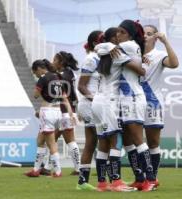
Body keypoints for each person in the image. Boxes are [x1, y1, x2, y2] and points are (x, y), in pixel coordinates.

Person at [92, 27, 143, 192]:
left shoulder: (103, 52)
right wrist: (141, 63)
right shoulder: (117, 54)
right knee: (116, 141)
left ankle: (102, 183)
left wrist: (108, 46)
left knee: (103, 144)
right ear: (113, 38)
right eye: (118, 35)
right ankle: (116, 182)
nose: (121, 37)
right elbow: (140, 71)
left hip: (97, 101)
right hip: (109, 101)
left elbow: (96, 47)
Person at [116, 19, 156, 191]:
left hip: (132, 96)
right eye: (117, 32)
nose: (118, 35)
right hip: (125, 97)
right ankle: (139, 177)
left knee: (138, 139)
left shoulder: (129, 45)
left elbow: (103, 48)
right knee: (127, 140)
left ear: (130, 34)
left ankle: (151, 179)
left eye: (121, 32)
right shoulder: (131, 46)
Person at [139, 24, 179, 187]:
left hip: (152, 102)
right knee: (135, 141)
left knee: (153, 142)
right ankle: (140, 177)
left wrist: (166, 41)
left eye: (149, 34)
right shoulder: (133, 54)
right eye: (144, 33)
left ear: (156, 37)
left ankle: (152, 178)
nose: (146, 36)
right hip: (133, 102)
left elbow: (174, 63)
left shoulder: (158, 55)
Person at [25, 59, 73, 178]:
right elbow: (64, 97)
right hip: (58, 111)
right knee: (40, 140)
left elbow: (35, 95)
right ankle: (36, 170)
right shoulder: (57, 78)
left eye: (35, 72)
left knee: (51, 143)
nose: (35, 75)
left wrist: (40, 89)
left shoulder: (43, 78)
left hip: (48, 112)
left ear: (39, 68)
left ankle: (57, 171)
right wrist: (71, 113)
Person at [43, 51, 80, 175]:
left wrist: (49, 69)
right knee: (53, 139)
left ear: (61, 62)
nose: (53, 62)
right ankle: (47, 167)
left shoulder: (65, 75)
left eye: (55, 60)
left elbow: (58, 80)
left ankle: (78, 169)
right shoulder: (69, 73)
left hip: (65, 111)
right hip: (66, 111)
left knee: (70, 140)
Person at [76, 30, 104, 191]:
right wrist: (97, 100)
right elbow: (81, 86)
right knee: (103, 141)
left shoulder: (100, 58)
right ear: (95, 43)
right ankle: (104, 180)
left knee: (92, 143)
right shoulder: (91, 59)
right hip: (90, 105)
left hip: (96, 104)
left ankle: (83, 182)